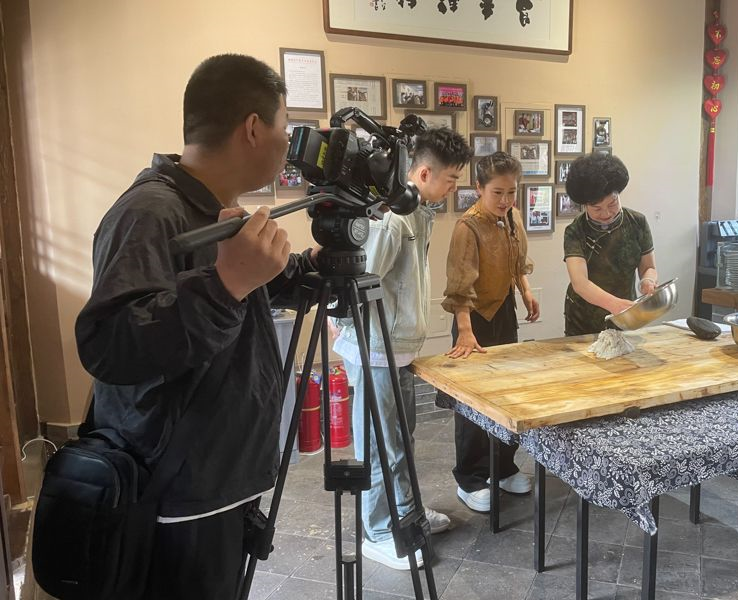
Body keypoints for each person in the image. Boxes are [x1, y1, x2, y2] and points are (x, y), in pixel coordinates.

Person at [73, 54, 316, 600]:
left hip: (215, 481)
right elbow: (109, 343)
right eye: (284, 126)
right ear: (252, 128)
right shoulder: (150, 212)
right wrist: (225, 283)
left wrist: (300, 267)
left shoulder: (213, 209)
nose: (287, 142)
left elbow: (243, 289)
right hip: (175, 495)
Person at [332, 127, 473, 569]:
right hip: (375, 349)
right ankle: (377, 531)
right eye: (451, 180)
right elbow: (357, 283)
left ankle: (406, 513)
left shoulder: (418, 213)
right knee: (379, 445)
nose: (454, 188)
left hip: (398, 349)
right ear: (424, 173)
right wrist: (344, 330)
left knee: (400, 441)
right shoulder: (392, 218)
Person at [441, 151, 540, 512]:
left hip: (504, 312)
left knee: (505, 395)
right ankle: (470, 479)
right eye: (497, 192)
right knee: (472, 402)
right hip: (473, 319)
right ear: (479, 188)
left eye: (511, 192)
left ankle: (503, 468)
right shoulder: (467, 227)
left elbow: (517, 263)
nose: (505, 200)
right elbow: (460, 286)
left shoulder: (512, 217)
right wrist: (465, 332)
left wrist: (526, 291)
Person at [562, 153, 659, 336]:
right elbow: (580, 283)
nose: (606, 213)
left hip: (624, 315)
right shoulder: (575, 231)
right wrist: (615, 304)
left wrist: (648, 280)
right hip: (584, 318)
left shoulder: (637, 222)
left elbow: (649, 267)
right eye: (596, 208)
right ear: (585, 205)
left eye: (612, 203)